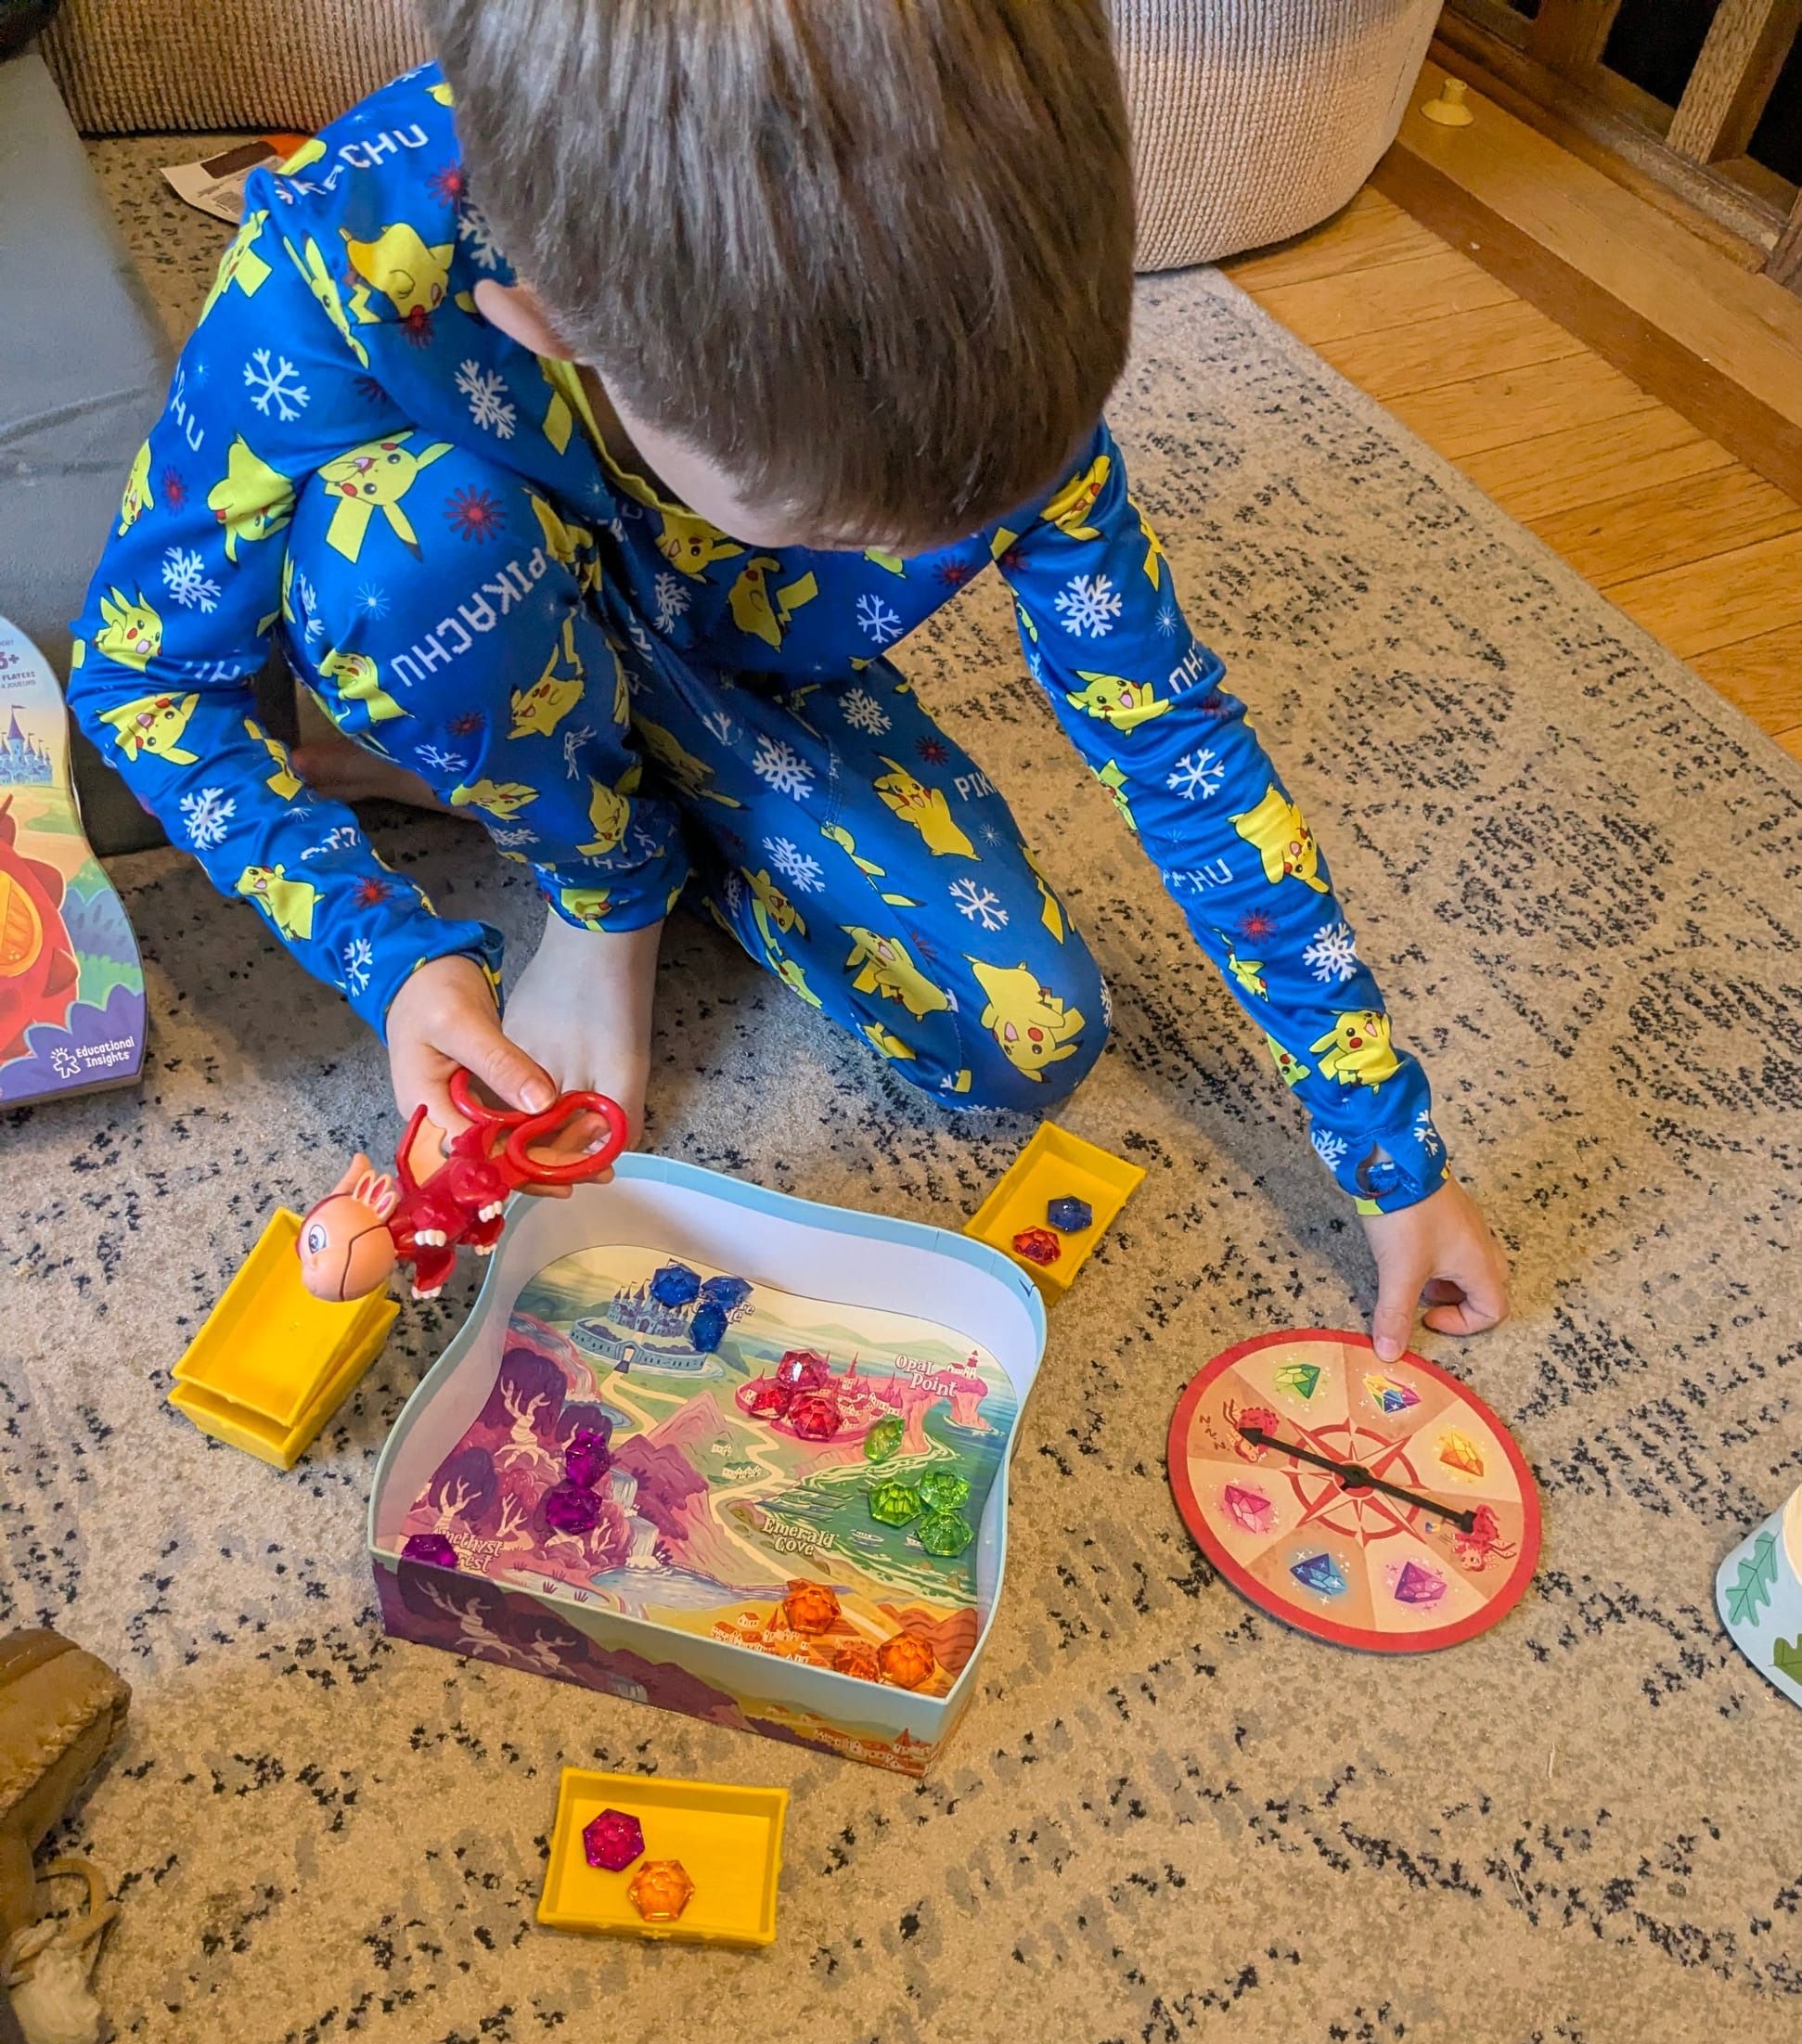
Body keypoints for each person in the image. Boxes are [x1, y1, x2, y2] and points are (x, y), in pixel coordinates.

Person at [66, 0, 1508, 1359]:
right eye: (846, 528)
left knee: (1023, 1035)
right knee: (410, 565)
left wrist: (1388, 1151)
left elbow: (1175, 744)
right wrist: (390, 955)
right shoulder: (344, 250)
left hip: (725, 656)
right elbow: (141, 679)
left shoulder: (993, 291)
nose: (919, 562)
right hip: (468, 572)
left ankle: (474, 751)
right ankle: (591, 861)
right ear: (549, 315)